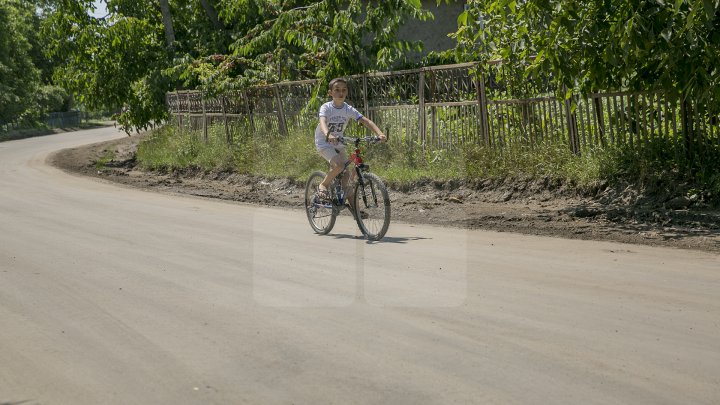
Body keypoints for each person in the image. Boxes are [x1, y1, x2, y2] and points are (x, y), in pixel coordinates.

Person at [314, 77, 386, 202]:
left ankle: (356, 213)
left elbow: (366, 121)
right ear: (330, 93)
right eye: (337, 90)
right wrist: (328, 134)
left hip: (339, 142)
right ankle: (323, 185)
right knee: (339, 165)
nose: (340, 93)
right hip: (324, 142)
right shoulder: (326, 107)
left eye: (344, 90)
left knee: (346, 177)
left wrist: (380, 134)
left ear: (347, 92)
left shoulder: (347, 108)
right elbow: (323, 122)